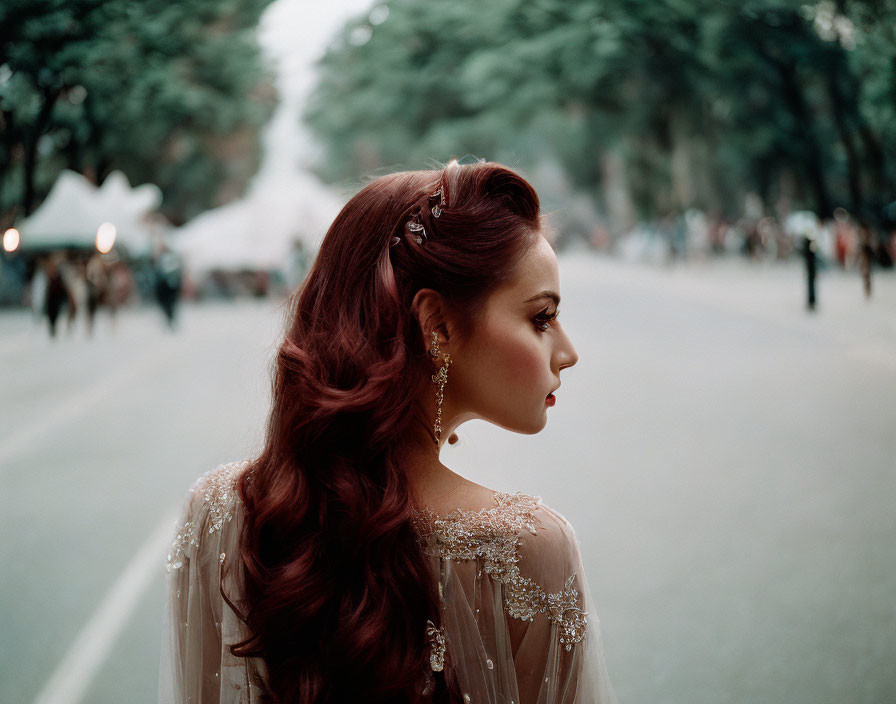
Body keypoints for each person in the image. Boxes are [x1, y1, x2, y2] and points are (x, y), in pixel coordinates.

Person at [159, 160, 618, 704]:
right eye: (541, 318)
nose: (567, 353)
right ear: (438, 326)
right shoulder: (527, 550)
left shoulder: (216, 513)